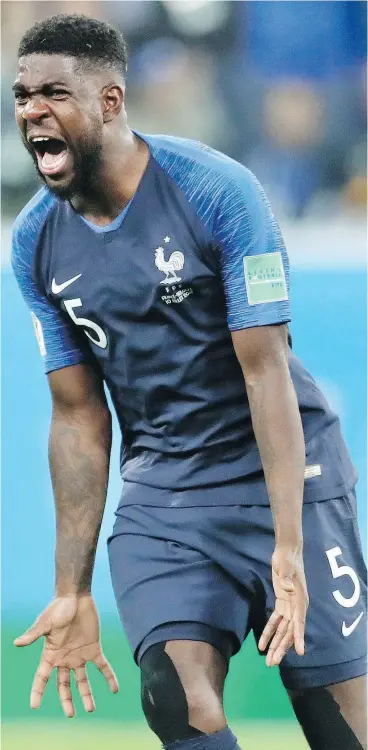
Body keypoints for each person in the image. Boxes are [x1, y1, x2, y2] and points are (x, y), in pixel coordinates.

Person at [11, 14, 366, 750]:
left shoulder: (216, 193)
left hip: (285, 478)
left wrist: (290, 547)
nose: (31, 111)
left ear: (111, 102)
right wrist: (71, 588)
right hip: (169, 493)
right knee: (176, 699)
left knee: (343, 728)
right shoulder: (36, 242)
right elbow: (77, 416)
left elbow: (265, 371)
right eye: (21, 96)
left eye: (53, 93)